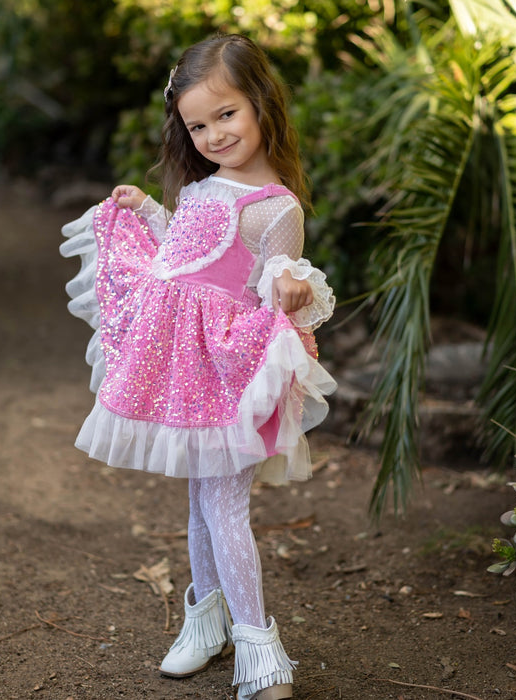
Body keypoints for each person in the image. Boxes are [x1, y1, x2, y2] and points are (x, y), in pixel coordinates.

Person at [60, 33, 336, 700]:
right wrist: (148, 211)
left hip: (226, 370)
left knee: (223, 502)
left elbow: (276, 274)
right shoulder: (201, 188)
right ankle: (205, 622)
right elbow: (182, 256)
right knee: (198, 499)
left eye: (227, 114)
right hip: (179, 365)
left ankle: (259, 650)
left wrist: (293, 289)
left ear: (261, 103)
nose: (213, 133)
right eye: (198, 124)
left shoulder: (277, 205)